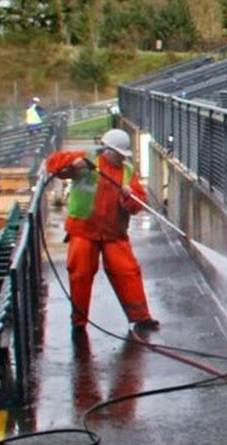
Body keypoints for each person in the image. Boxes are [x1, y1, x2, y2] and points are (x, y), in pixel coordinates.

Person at [44, 127, 159, 337]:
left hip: (113, 233)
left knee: (127, 272)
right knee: (80, 274)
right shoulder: (87, 162)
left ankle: (141, 318)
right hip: (84, 231)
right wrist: (73, 163)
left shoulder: (127, 172)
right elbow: (53, 165)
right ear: (108, 151)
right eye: (119, 154)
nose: (121, 159)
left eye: (124, 156)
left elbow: (137, 204)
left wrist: (129, 196)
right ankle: (79, 321)